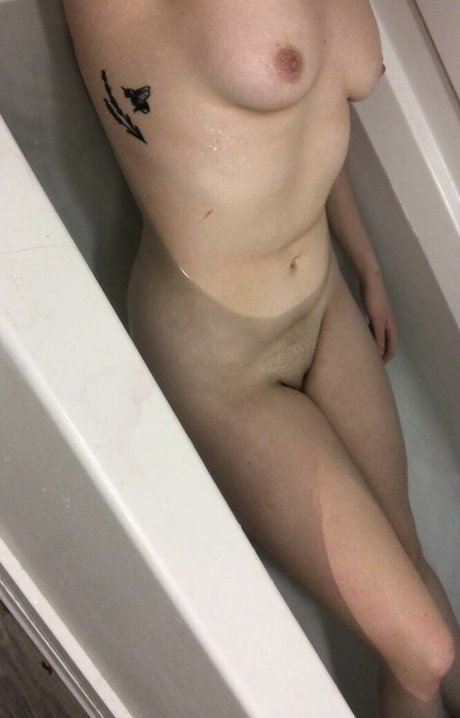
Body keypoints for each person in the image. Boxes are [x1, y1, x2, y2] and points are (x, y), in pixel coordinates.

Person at [62, 2, 459, 716]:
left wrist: (367, 264)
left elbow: (305, 113)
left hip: (325, 303)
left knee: (408, 554)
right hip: (224, 360)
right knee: (422, 652)